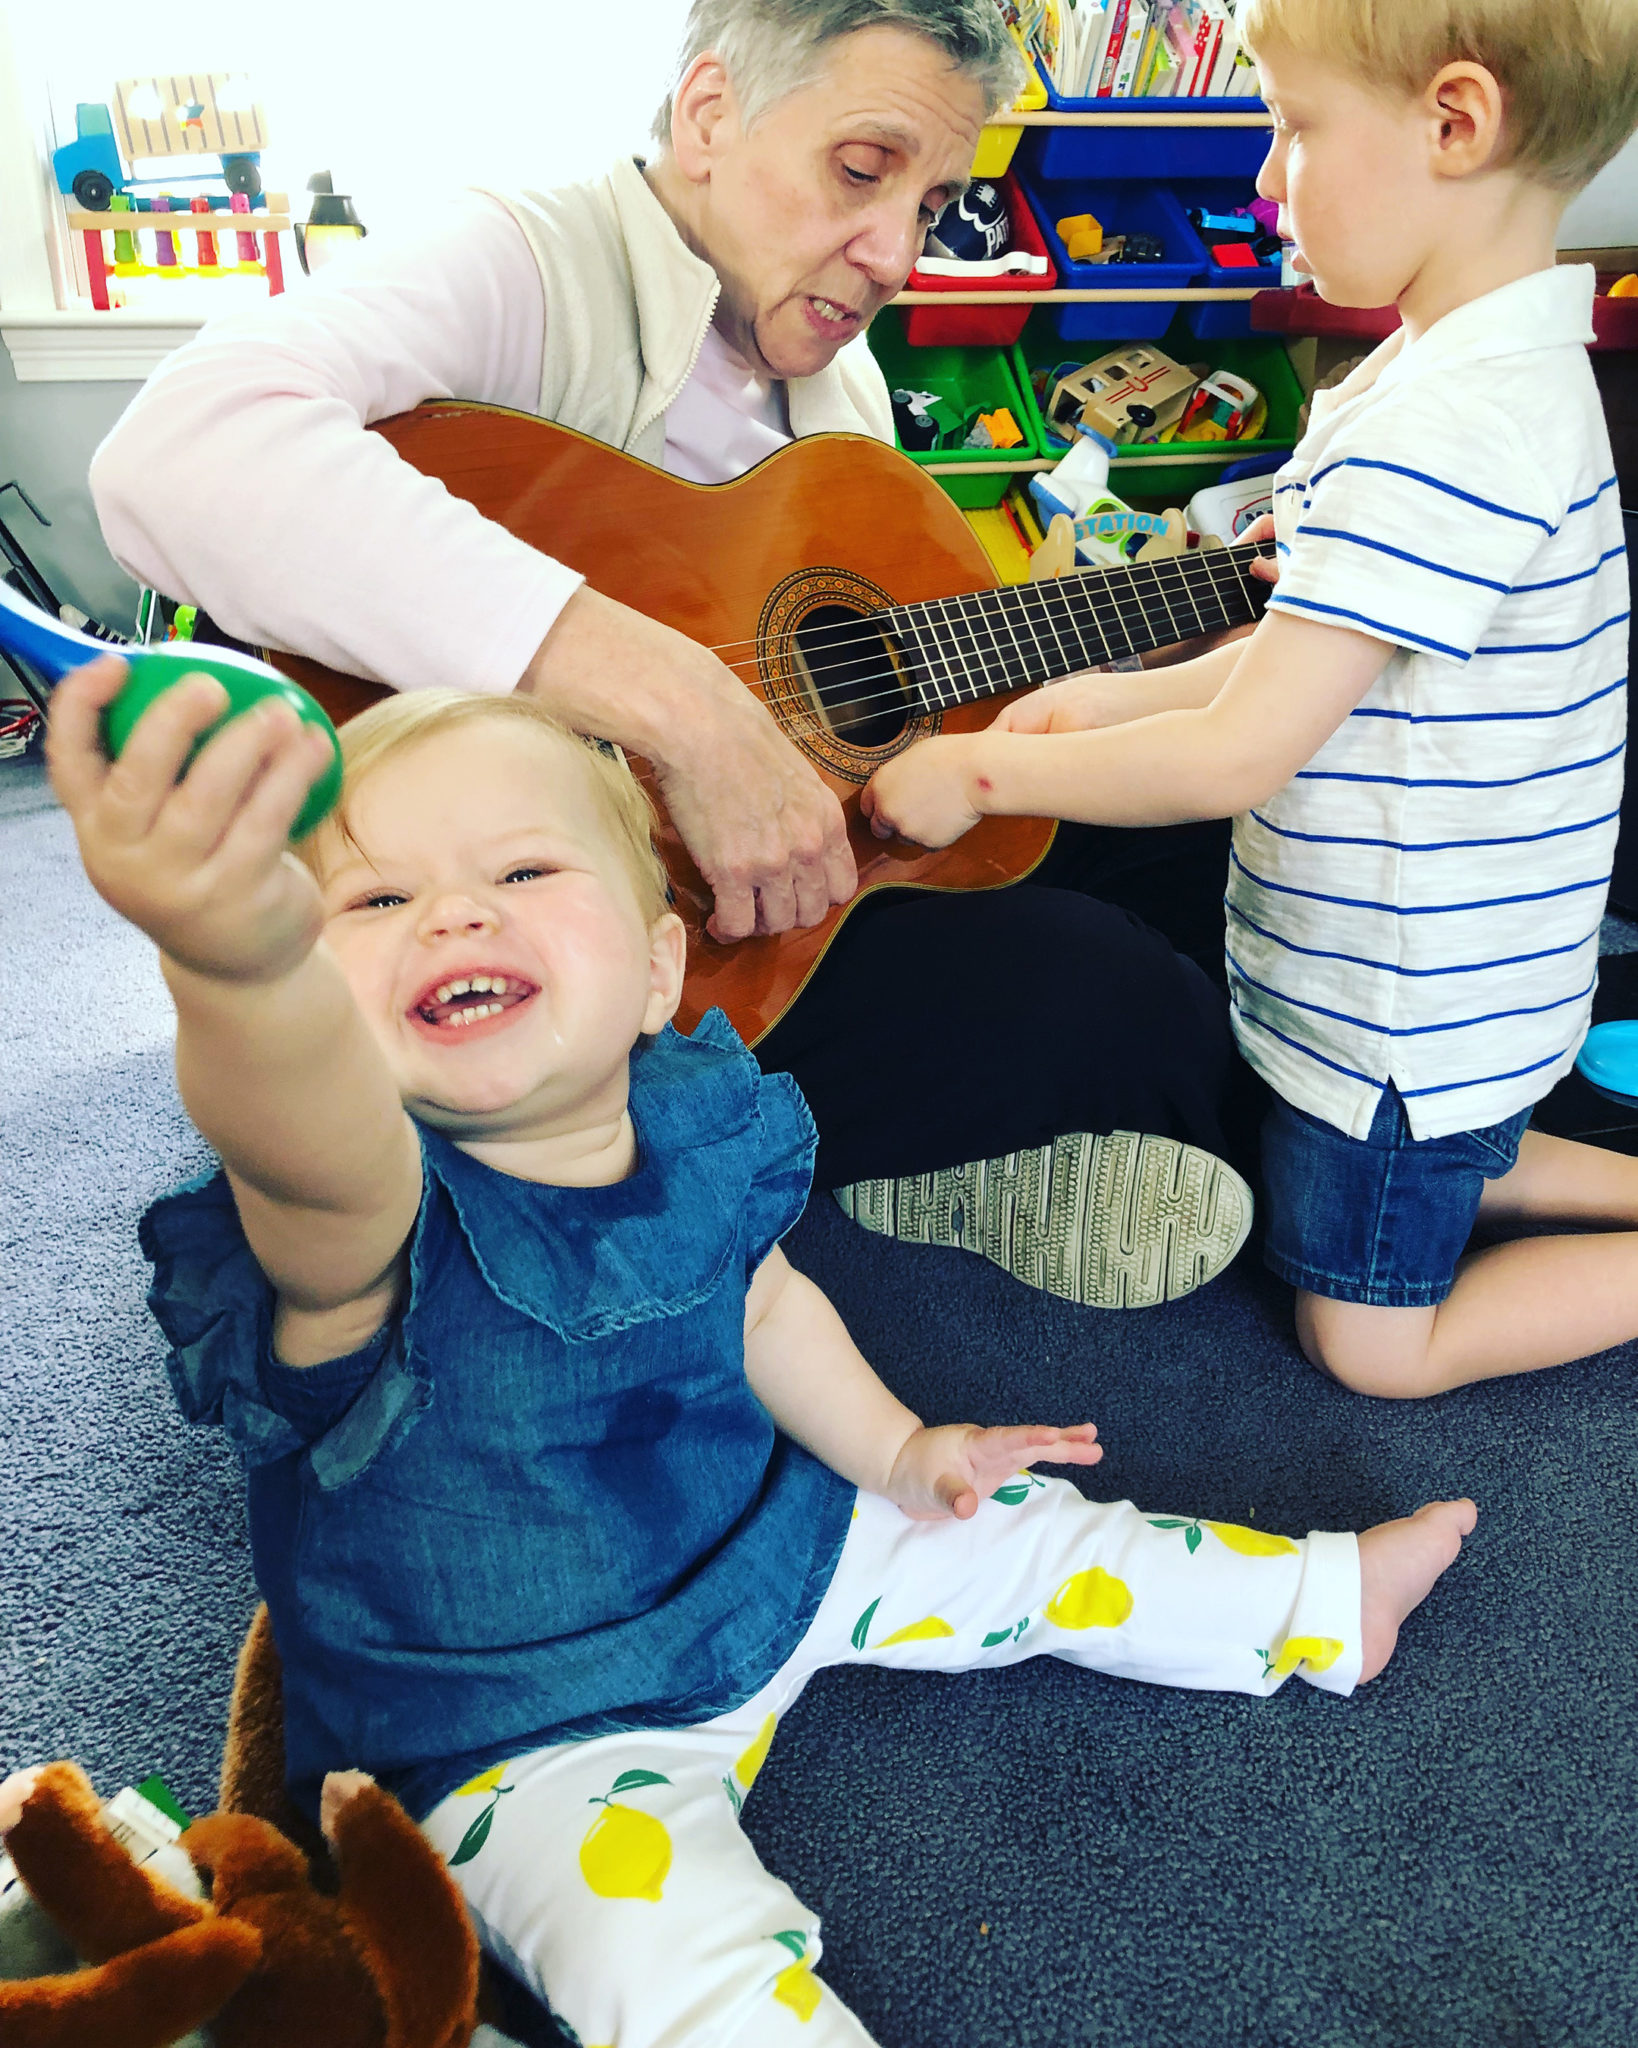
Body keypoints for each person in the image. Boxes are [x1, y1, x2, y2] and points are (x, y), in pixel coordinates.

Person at [47, 655, 1471, 2046]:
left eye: (527, 874)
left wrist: (900, 1452)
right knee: (675, 1970)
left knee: (1028, 1536)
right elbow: (293, 1132)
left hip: (766, 1545)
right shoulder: (359, 1218)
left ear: (661, 962)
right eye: (373, 899)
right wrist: (233, 958)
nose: (453, 915)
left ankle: (1319, 1604)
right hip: (524, 1726)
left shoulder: (693, 1121)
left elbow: (768, 1306)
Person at [85, 0, 1258, 1313]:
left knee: (1194, 829)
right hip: (511, 951)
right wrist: (685, 710)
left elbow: (909, 697)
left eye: (930, 208)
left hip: (754, 917)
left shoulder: (846, 399)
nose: (893, 255)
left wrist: (1198, 631)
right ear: (708, 116)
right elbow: (171, 458)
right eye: (861, 171)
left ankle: (1190, 1129)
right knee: (1102, 994)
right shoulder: (525, 256)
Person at [863, 0, 1638, 1400]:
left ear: (1453, 125)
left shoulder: (1446, 432)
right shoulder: (1445, 372)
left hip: (1409, 1012)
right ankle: (1478, 1165)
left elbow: (1238, 752)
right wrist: (1100, 707)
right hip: (1443, 991)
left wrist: (979, 780)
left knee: (1367, 1345)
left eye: (1293, 127)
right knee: (1436, 1161)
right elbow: (1315, 648)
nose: (1267, 177)